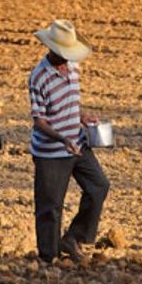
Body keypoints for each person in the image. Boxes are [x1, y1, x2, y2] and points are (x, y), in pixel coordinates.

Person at [28, 19, 110, 264]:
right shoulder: (38, 77)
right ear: (51, 48)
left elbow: (70, 102)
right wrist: (62, 138)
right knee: (50, 206)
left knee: (99, 187)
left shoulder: (73, 67)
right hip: (51, 151)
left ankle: (74, 237)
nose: (67, 58)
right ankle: (49, 258)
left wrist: (82, 118)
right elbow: (39, 120)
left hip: (77, 142)